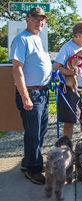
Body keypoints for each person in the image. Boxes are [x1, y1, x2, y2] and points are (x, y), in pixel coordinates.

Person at [10, 7, 51, 185]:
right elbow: (17, 70)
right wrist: (25, 96)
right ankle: (33, 170)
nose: (39, 22)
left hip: (42, 92)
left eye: (42, 19)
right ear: (27, 20)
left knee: (40, 132)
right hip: (31, 93)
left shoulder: (37, 39)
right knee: (34, 134)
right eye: (36, 19)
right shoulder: (21, 40)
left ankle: (29, 162)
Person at [53, 21, 82, 139]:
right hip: (70, 89)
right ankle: (67, 150)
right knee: (69, 122)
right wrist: (70, 73)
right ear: (78, 35)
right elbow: (56, 68)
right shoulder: (67, 48)